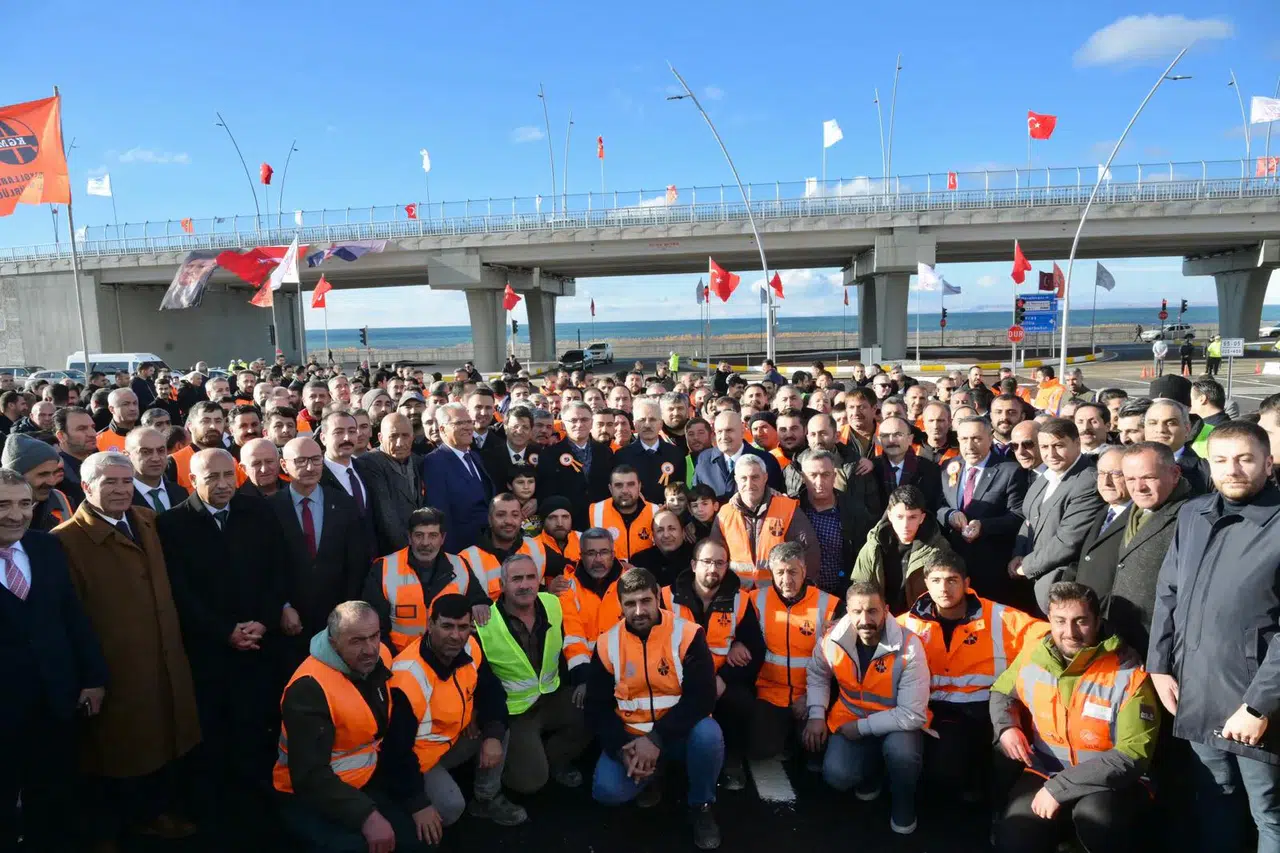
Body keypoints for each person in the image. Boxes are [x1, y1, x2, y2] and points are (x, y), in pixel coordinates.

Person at [53, 451, 202, 845]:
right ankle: (132, 823)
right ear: (86, 487)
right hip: (117, 664)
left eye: (125, 482)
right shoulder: (65, 541)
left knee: (167, 738)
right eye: (110, 483)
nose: (121, 490)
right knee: (124, 750)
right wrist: (90, 674)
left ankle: (158, 811)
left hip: (164, 654)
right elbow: (68, 618)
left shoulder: (148, 521)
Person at [1148, 421, 1280, 853]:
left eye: (1245, 458)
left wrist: (1260, 705)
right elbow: (1168, 592)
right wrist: (1159, 665)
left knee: (1269, 813)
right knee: (1215, 799)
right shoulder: (1194, 514)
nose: (1233, 470)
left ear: (1268, 461)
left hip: (1256, 704)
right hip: (1197, 690)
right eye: (1221, 460)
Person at [156, 448, 288, 840]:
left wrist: (262, 623)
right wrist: (224, 632)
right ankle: (215, 817)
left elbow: (277, 571)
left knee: (256, 729)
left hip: (258, 646)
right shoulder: (173, 523)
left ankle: (260, 808)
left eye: (228, 475)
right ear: (192, 480)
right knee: (212, 737)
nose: (223, 483)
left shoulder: (258, 512)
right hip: (209, 653)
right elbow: (180, 592)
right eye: (211, 477)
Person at [990, 582, 1160, 853]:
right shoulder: (1034, 655)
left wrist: (1060, 788)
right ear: (1049, 620)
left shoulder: (1128, 672)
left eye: (1080, 621)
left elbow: (1133, 754)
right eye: (1060, 621)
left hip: (1109, 782)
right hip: (1045, 769)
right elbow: (1001, 691)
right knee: (1015, 837)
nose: (1069, 632)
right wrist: (1006, 726)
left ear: (1096, 622)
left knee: (1098, 820)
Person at [0, 468, 108, 852]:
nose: (16, 515)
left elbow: (72, 616)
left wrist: (94, 678)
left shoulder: (46, 547)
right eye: (3, 504)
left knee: (53, 797)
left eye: (24, 504)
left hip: (56, 702)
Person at [273, 601, 429, 852]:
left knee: (417, 840)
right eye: (356, 641)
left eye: (374, 636)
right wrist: (366, 816)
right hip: (313, 794)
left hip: (365, 778)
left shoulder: (381, 657)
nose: (370, 649)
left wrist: (414, 797)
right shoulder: (309, 688)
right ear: (334, 644)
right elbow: (309, 776)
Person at [585, 567, 723, 850]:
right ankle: (652, 775)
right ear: (620, 605)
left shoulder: (687, 633)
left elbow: (703, 697)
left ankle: (702, 805)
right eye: (630, 604)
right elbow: (597, 709)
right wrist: (622, 750)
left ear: (658, 595)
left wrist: (656, 739)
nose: (639, 611)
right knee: (606, 791)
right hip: (632, 740)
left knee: (709, 734)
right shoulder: (606, 644)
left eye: (645, 601)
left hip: (680, 735)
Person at [380, 592, 527, 844]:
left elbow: (492, 691)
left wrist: (491, 734)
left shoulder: (469, 647)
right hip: (420, 759)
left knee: (499, 728)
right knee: (451, 808)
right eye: (447, 626)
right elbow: (395, 751)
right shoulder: (407, 676)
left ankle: (486, 798)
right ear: (430, 625)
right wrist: (418, 804)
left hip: (452, 739)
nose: (456, 635)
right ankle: (406, 815)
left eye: (462, 627)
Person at [805, 580, 929, 835]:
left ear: (885, 610)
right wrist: (816, 713)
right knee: (837, 776)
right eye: (857, 612)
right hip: (851, 717)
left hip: (897, 725)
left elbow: (913, 714)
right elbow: (817, 674)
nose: (864, 619)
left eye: (872, 611)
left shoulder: (909, 645)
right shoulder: (832, 639)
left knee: (902, 755)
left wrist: (862, 728)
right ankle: (872, 773)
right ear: (847, 612)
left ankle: (903, 803)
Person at [476, 554, 591, 794]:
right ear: (502, 585)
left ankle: (555, 759)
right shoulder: (484, 623)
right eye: (516, 579)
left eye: (531, 577)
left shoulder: (553, 603)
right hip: (514, 712)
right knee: (530, 782)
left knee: (595, 707)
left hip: (552, 695)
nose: (525, 584)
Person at [1065, 443, 1190, 657]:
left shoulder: (1191, 517)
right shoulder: (1131, 510)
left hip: (1155, 646)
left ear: (1175, 474)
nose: (1139, 487)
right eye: (1131, 479)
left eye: (1148, 477)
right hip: (1115, 637)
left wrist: (1161, 657)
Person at [662, 538, 763, 789]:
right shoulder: (665, 597)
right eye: (707, 562)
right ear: (694, 565)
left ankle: (732, 760)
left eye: (720, 563)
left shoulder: (740, 599)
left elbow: (756, 648)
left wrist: (724, 677)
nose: (713, 569)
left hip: (720, 680)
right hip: (676, 680)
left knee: (741, 702)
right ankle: (662, 768)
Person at [270, 437, 369, 670]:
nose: (309, 467)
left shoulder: (344, 503)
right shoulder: (271, 508)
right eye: (301, 461)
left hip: (337, 617)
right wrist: (282, 607)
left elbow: (356, 563)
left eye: (315, 460)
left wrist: (348, 610)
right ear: (284, 466)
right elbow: (266, 566)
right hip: (291, 621)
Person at [750, 541, 838, 761]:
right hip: (769, 695)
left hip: (811, 694)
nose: (786, 580)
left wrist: (811, 698)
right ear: (771, 572)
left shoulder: (830, 605)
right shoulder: (755, 600)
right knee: (760, 749)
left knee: (816, 751)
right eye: (779, 572)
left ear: (804, 571)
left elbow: (839, 665)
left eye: (792, 572)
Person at [1011, 419, 1104, 610]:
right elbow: (1028, 519)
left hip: (1062, 589)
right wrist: (1018, 554)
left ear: (1077, 444)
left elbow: (1068, 541)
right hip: (1034, 585)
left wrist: (1027, 565)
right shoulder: (1045, 476)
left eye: (1058, 446)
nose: (1050, 454)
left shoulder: (1087, 481)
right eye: (1044, 446)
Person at [936, 416, 1027, 603]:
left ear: (990, 437)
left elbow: (1018, 515)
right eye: (964, 439)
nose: (969, 445)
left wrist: (983, 526)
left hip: (991, 568)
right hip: (954, 564)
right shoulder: (949, 466)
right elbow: (939, 504)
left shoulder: (1010, 471)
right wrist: (950, 515)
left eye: (976, 438)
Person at [708, 454, 819, 589]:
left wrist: (800, 587)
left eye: (755, 477)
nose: (749, 484)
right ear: (736, 480)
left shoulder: (787, 508)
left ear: (765, 478)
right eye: (743, 478)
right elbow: (714, 556)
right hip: (737, 594)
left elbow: (809, 550)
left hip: (777, 594)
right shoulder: (725, 513)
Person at [852, 484, 956, 614]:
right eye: (899, 517)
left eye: (912, 517)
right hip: (880, 620)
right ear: (890, 516)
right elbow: (859, 590)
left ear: (922, 518)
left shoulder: (938, 549)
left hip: (922, 622)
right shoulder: (873, 547)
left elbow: (948, 593)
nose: (905, 525)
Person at [422, 402, 495, 552]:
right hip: (462, 550)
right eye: (460, 423)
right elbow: (441, 515)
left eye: (469, 422)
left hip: (488, 546)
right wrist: (453, 557)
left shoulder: (475, 456)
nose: (468, 427)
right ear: (442, 429)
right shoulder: (434, 462)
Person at [458, 493, 559, 601]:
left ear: (521, 518)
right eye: (501, 515)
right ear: (489, 519)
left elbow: (570, 568)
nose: (508, 521)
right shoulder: (467, 558)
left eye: (515, 515)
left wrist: (549, 590)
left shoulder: (536, 547)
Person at [559, 527, 627, 681]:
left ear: (613, 554)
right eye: (591, 553)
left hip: (628, 670)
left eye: (604, 552)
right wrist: (585, 679)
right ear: (581, 556)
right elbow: (573, 639)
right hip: (585, 671)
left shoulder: (630, 582)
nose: (598, 559)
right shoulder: (568, 588)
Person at [535, 400, 614, 530]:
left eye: (584, 420)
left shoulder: (605, 451)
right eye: (573, 420)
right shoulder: (549, 454)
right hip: (567, 525)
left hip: (602, 521)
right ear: (563, 425)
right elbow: (546, 493)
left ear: (591, 423)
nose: (579, 424)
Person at [693, 410, 786, 499]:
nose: (724, 437)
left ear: (742, 431)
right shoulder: (703, 460)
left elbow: (775, 500)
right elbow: (696, 498)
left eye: (729, 430)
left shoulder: (766, 461)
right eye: (719, 432)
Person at [614, 398, 687, 504]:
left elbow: (680, 491)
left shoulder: (676, 454)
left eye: (652, 419)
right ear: (635, 424)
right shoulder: (622, 456)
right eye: (642, 420)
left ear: (661, 424)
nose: (647, 425)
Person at [2, 433, 72, 530]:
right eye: (43, 474)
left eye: (54, 473)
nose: (52, 482)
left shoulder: (60, 499)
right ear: (17, 475)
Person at [589, 465, 660, 562]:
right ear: (610, 489)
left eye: (630, 484)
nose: (625, 491)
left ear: (639, 486)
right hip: (609, 576)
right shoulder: (595, 511)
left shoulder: (655, 512)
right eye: (618, 485)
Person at [874, 416, 943, 513]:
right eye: (885, 435)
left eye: (898, 435)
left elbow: (933, 507)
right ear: (879, 440)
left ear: (910, 439)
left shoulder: (930, 470)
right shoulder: (871, 469)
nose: (891, 440)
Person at [1143, 398, 1212, 495]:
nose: (1160, 429)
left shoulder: (1206, 472)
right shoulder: (1129, 465)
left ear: (1187, 429)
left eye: (1170, 423)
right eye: (1153, 423)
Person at [124, 425, 187, 513]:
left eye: (161, 450)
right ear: (127, 456)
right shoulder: (121, 498)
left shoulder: (180, 493)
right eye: (145, 452)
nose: (156, 458)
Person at [167, 401, 227, 490]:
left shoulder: (229, 458)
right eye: (205, 421)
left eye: (218, 421)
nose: (213, 426)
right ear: (190, 426)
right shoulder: (173, 463)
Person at [629, 507, 693, 587]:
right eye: (660, 530)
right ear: (653, 536)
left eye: (672, 529)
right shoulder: (640, 562)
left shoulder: (697, 557)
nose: (666, 535)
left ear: (683, 532)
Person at [55, 405, 97, 508]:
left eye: (93, 427)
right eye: (82, 429)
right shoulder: (56, 474)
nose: (92, 434)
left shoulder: (103, 462)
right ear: (61, 436)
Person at [1188, 377, 1229, 458]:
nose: (1188, 404)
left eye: (1190, 399)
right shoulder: (1229, 426)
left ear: (1202, 399)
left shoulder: (1217, 432)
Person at [95, 388, 140, 452]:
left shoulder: (149, 435)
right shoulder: (98, 440)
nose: (132, 408)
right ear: (111, 409)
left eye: (135, 403)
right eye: (125, 404)